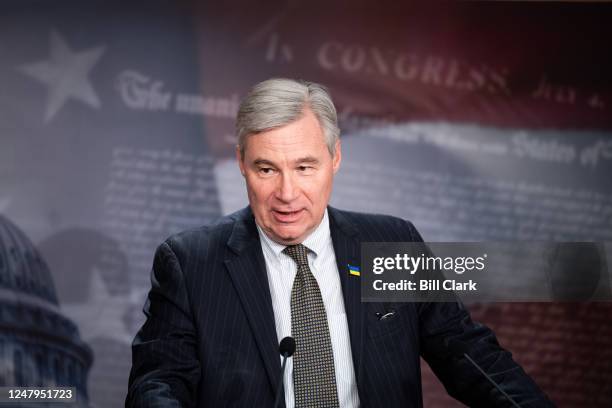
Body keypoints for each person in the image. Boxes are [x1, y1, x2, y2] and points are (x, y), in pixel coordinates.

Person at [126, 78, 554, 407]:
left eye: (305, 167)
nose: (287, 193)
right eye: (267, 169)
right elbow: (159, 382)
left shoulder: (392, 244)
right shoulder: (190, 261)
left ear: (335, 158)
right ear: (241, 163)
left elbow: (469, 355)